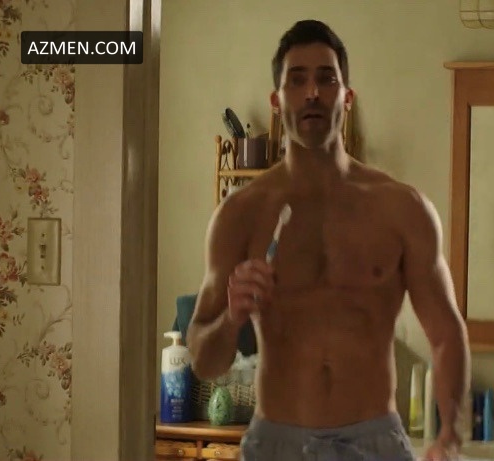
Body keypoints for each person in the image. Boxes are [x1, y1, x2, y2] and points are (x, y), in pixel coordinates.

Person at [187, 19, 471, 461]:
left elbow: (446, 334)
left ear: (347, 97)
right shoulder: (241, 214)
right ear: (277, 101)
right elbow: (205, 361)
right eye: (296, 80)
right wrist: (231, 316)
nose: (312, 93)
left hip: (374, 442)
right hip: (275, 444)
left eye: (327, 78)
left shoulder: (402, 208)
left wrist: (449, 436)